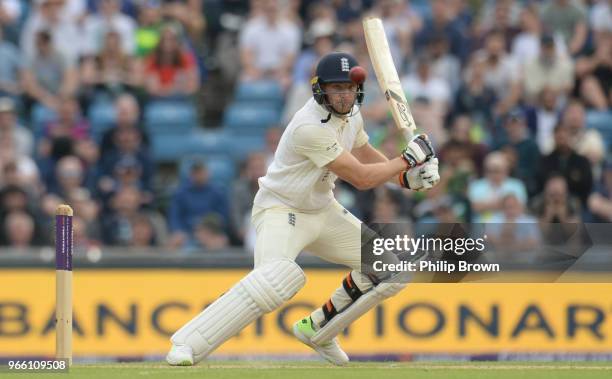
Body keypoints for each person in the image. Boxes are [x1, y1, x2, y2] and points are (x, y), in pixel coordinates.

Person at [165, 52, 440, 366]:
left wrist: (406, 179)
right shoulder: (309, 127)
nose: (344, 94)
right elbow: (362, 178)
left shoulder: (353, 114)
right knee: (274, 280)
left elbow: (365, 155)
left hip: (322, 209)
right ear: (319, 89)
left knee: (391, 272)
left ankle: (318, 329)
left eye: (349, 87)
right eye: (336, 88)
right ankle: (187, 343)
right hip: (281, 210)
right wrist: (406, 160)